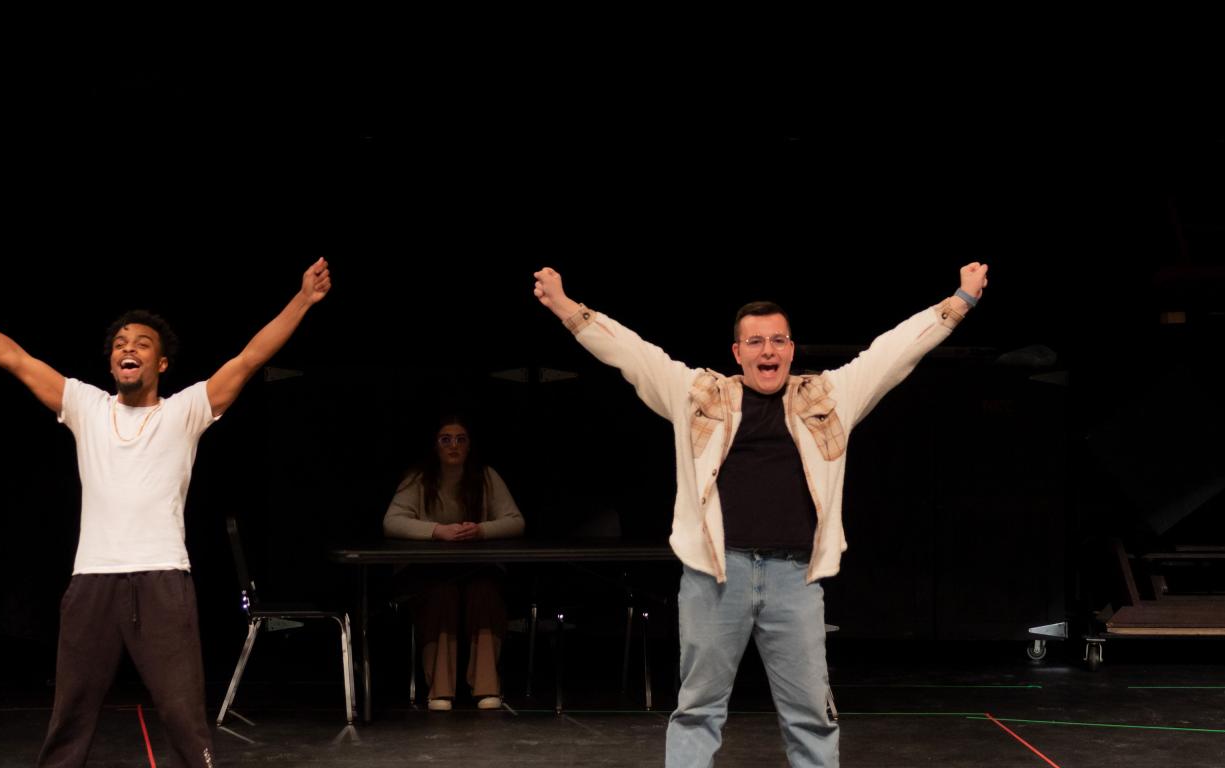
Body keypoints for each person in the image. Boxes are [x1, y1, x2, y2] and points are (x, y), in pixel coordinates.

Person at [532, 263, 987, 767]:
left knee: (811, 712)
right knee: (697, 708)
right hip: (715, 575)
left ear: (792, 349)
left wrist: (960, 301)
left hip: (795, 578)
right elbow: (632, 353)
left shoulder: (829, 398)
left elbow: (893, 352)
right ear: (737, 352)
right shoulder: (699, 397)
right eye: (755, 342)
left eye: (777, 340)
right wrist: (565, 306)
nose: (767, 350)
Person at [0, 259, 332, 768]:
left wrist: (303, 300)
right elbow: (15, 359)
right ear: (112, 364)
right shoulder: (86, 406)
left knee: (182, 715)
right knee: (70, 714)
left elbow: (248, 359)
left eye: (142, 343)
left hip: (163, 580)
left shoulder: (185, 410)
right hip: (92, 582)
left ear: (161, 365)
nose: (128, 348)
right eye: (119, 344)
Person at [383, 416, 525, 711]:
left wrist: (481, 530)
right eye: (445, 439)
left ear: (469, 444)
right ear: (435, 445)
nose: (453, 445)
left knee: (484, 592)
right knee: (441, 595)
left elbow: (515, 521)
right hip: (428, 574)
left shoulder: (486, 477)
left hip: (476, 568)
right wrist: (437, 531)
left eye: (460, 439)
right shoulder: (419, 478)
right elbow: (392, 521)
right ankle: (440, 690)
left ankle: (487, 686)